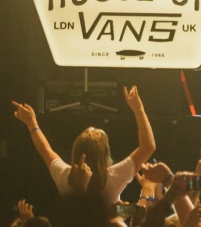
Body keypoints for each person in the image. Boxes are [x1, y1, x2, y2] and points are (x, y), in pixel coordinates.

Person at [11, 86, 155, 204]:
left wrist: (32, 123)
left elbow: (45, 150)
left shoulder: (66, 178)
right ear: (105, 154)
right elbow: (148, 146)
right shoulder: (113, 178)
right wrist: (139, 109)